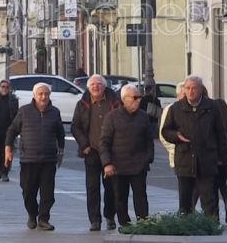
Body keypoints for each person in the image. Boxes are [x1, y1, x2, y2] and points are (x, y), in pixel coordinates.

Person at [161, 75, 227, 218]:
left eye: (194, 88)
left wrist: (222, 158)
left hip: (206, 160)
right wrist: (176, 136)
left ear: (200, 90)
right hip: (184, 159)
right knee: (185, 201)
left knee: (208, 198)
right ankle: (186, 225)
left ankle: (211, 225)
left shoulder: (212, 107)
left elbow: (221, 134)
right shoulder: (176, 108)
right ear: (184, 90)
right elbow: (166, 131)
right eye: (188, 88)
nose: (191, 91)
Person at [5, 82, 65, 231]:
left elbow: (60, 134)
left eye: (46, 94)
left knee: (47, 193)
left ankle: (44, 219)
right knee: (28, 191)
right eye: (40, 93)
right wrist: (8, 150)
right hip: (28, 159)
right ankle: (32, 215)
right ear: (34, 95)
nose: (43, 96)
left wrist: (61, 151)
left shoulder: (54, 112)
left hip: (48, 159)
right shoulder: (24, 111)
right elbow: (12, 131)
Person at [71, 74, 121, 231]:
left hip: (111, 152)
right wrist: (84, 145)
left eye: (99, 84)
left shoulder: (114, 101)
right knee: (92, 187)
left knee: (111, 187)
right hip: (91, 151)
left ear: (104, 86)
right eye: (92, 85)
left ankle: (110, 216)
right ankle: (94, 220)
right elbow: (75, 127)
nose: (96, 87)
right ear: (88, 87)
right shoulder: (82, 103)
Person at [100, 84, 154, 227]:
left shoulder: (143, 116)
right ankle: (125, 225)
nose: (138, 100)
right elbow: (104, 142)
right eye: (135, 98)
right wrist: (107, 163)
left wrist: (148, 159)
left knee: (141, 197)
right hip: (118, 166)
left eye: (139, 97)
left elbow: (149, 141)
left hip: (139, 165)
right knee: (120, 198)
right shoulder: (111, 117)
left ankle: (143, 224)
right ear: (124, 99)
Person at [159, 83, 185, 169]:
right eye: (184, 94)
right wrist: (175, 150)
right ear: (178, 96)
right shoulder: (171, 109)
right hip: (179, 157)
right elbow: (164, 134)